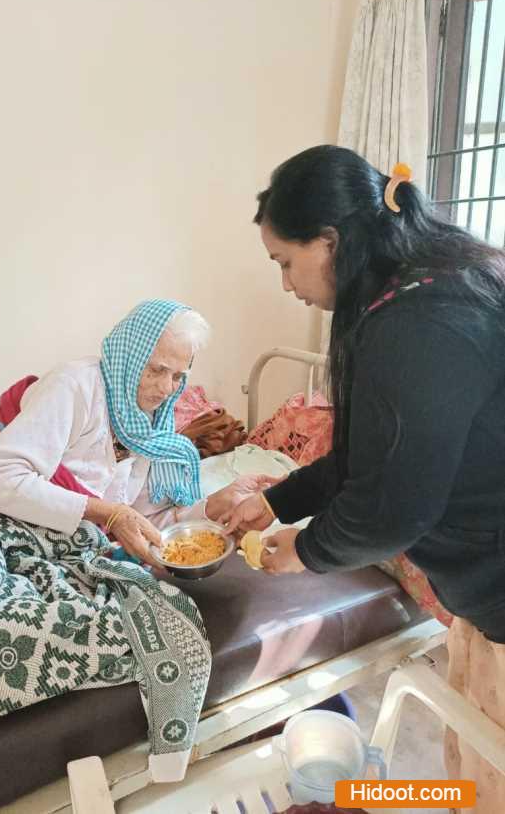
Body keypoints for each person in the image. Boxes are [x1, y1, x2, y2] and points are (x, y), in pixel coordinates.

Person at [225, 146, 505, 813]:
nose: (286, 285)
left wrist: (304, 550)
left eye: (284, 263)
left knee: (491, 767)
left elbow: (393, 509)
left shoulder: (419, 323)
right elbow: (362, 457)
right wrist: (272, 501)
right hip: (477, 581)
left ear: (329, 241)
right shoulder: (410, 293)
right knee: (471, 752)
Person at [0, 298, 267, 564]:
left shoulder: (148, 423)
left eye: (178, 376)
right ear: (129, 358)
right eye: (157, 370)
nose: (166, 389)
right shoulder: (75, 386)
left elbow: (141, 521)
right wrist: (105, 513)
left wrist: (214, 506)